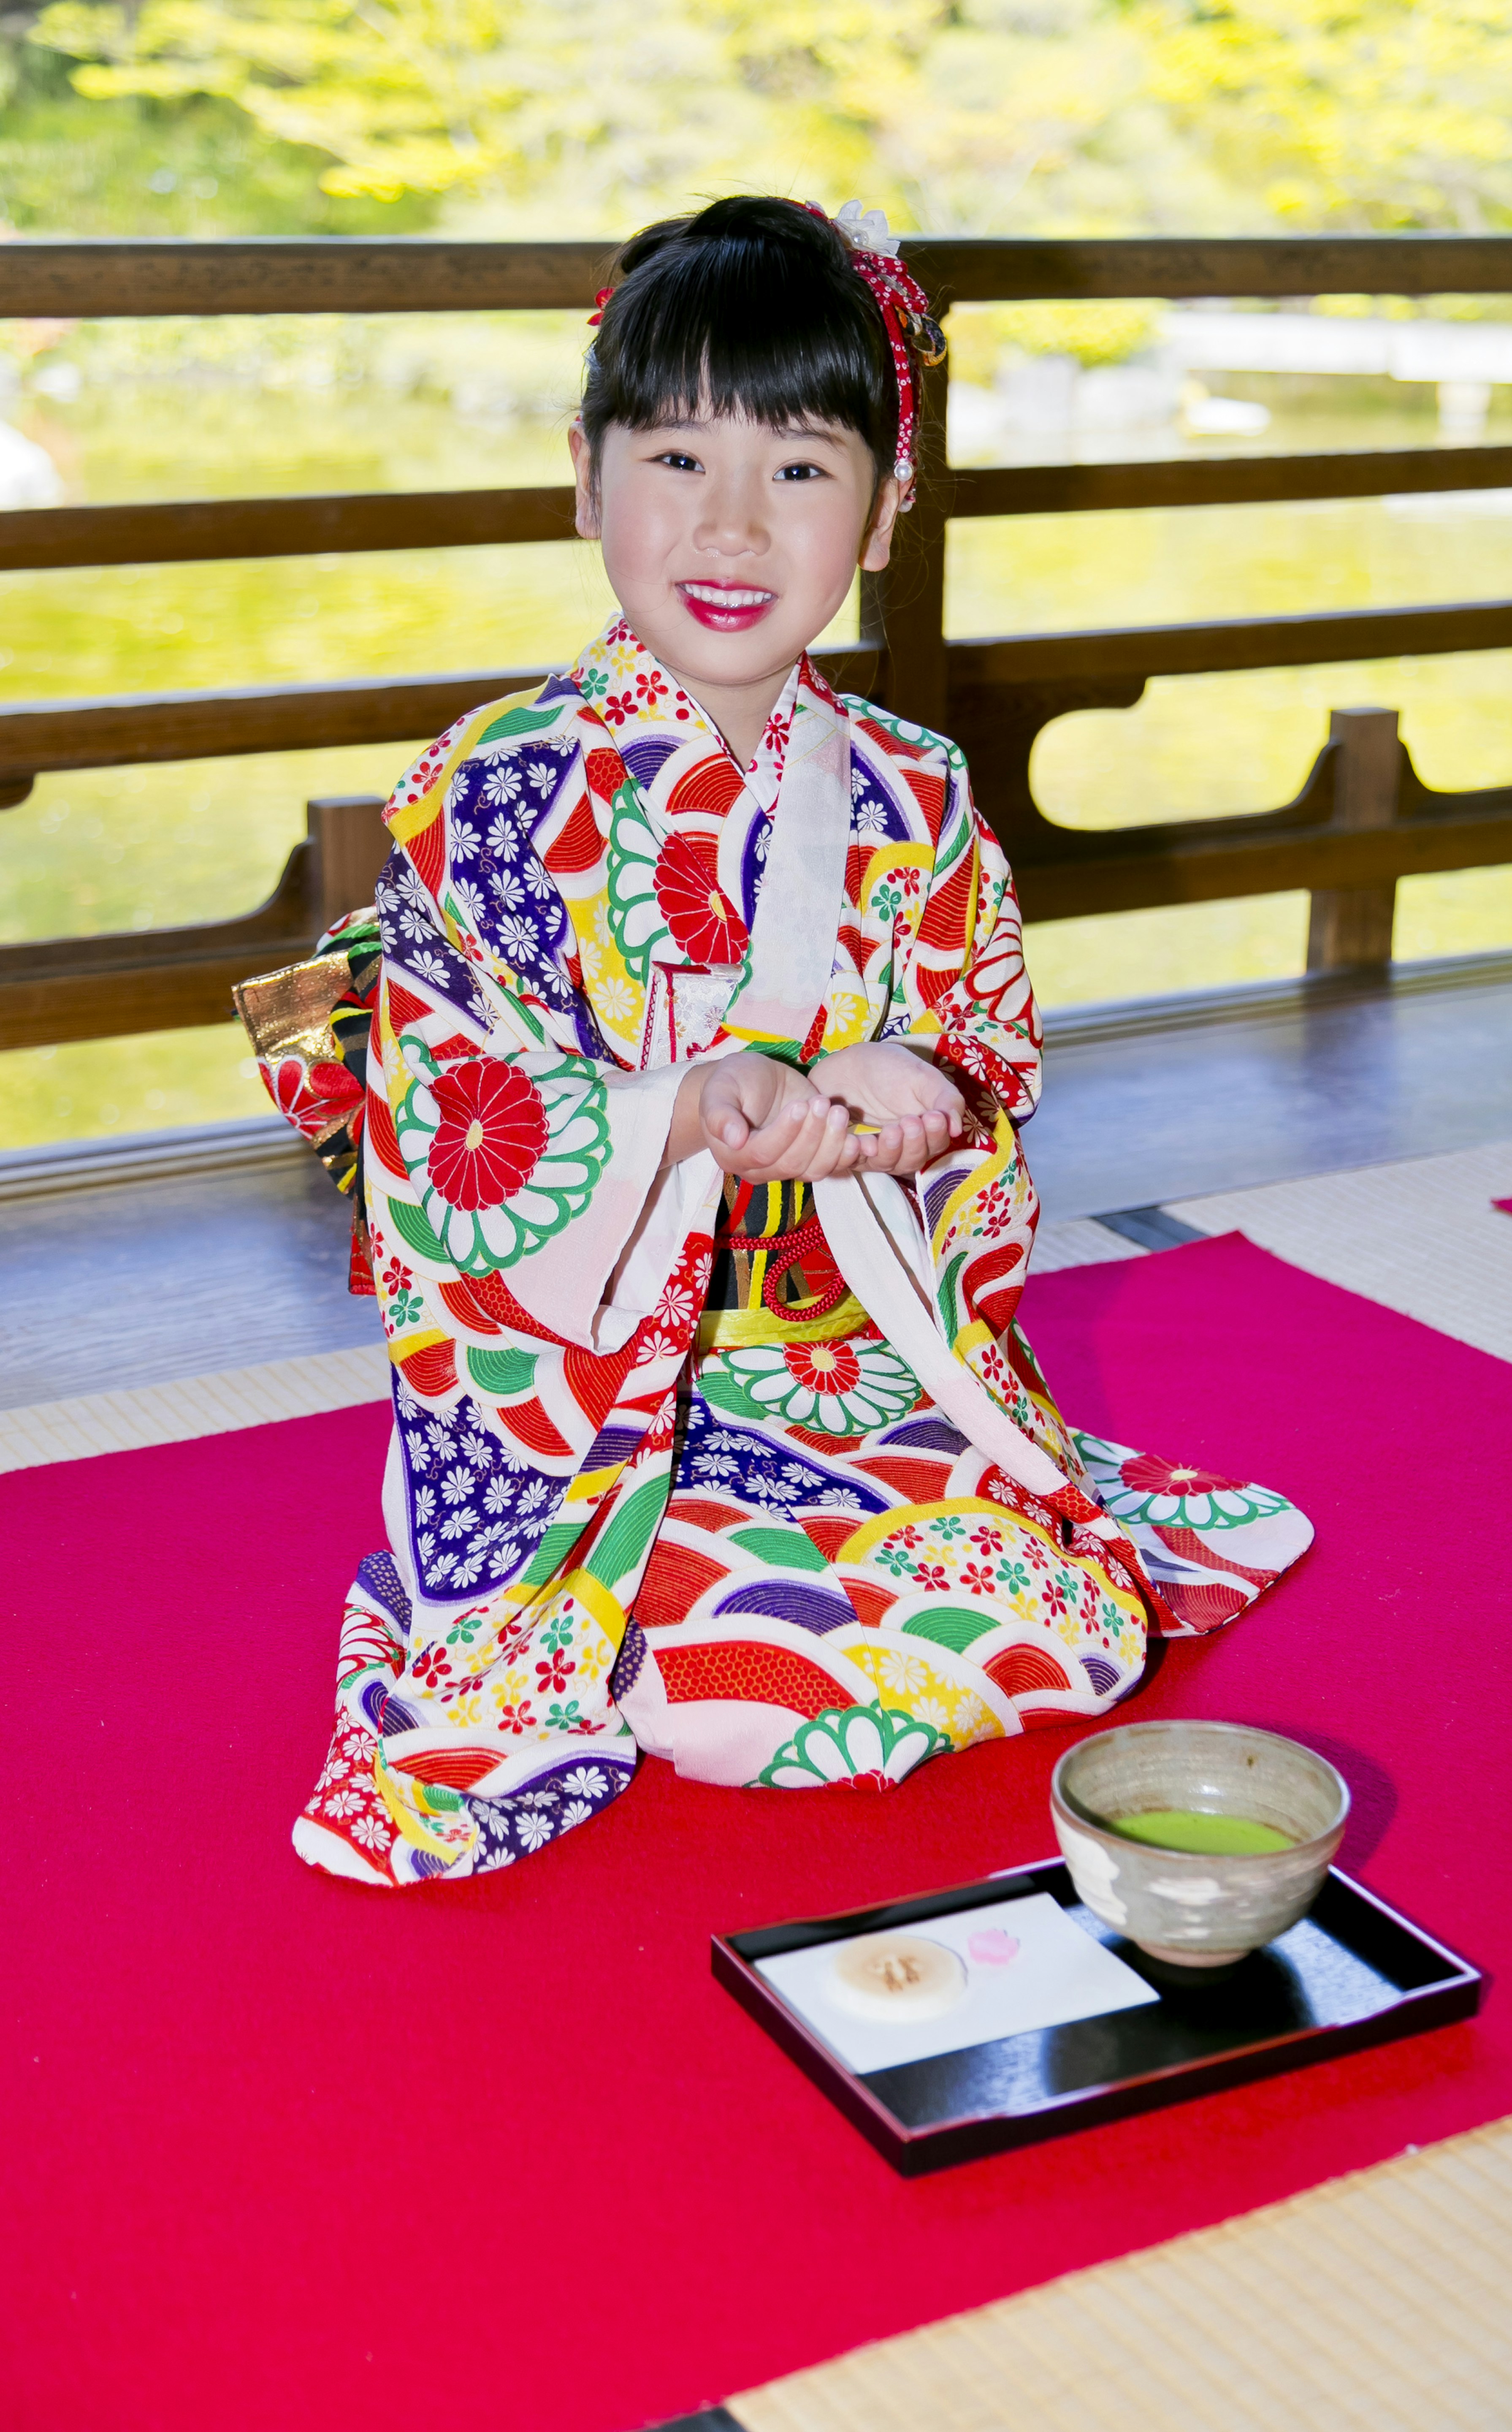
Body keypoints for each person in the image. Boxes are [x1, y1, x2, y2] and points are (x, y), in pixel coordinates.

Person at [240, 195, 1312, 1886]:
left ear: (886, 511)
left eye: (803, 469)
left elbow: (984, 1058)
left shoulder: (917, 792)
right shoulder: (491, 793)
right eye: (676, 460)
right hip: (583, 1412)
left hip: (845, 1361)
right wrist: (672, 1111)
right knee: (719, 1687)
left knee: (1065, 1640)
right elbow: (449, 1136)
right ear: (585, 478)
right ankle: (619, 1619)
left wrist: (923, 1099)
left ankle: (831, 1569)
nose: (733, 526)